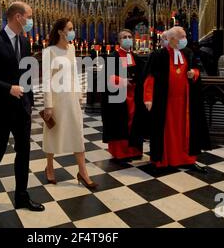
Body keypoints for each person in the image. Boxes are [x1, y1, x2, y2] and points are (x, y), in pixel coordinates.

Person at [0, 1, 44, 212]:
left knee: (24, 152)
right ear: (18, 17)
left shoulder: (24, 42)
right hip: (0, 108)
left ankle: (22, 196)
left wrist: (29, 102)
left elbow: (26, 75)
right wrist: (8, 88)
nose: (31, 21)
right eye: (29, 16)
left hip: (21, 108)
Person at [144, 27, 211, 172]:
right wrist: (148, 98)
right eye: (182, 36)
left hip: (185, 102)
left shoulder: (188, 53)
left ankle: (187, 159)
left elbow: (197, 69)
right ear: (172, 39)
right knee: (166, 131)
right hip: (165, 102)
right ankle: (164, 160)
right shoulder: (158, 55)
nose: (184, 39)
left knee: (186, 131)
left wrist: (194, 73)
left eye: (184, 36)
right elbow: (150, 78)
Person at [42, 18, 98, 189]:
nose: (73, 31)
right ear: (60, 31)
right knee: (53, 132)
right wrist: (48, 105)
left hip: (72, 98)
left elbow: (74, 73)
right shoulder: (49, 51)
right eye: (70, 28)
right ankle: (49, 167)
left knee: (77, 133)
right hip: (56, 99)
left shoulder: (72, 48)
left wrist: (80, 93)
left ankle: (83, 172)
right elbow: (46, 79)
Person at [101, 29, 147, 161]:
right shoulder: (112, 57)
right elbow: (105, 78)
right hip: (119, 98)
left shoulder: (136, 57)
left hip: (134, 97)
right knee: (120, 124)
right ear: (119, 41)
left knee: (135, 123)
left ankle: (134, 151)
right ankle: (121, 153)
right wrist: (121, 81)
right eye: (124, 37)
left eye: (129, 36)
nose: (128, 39)